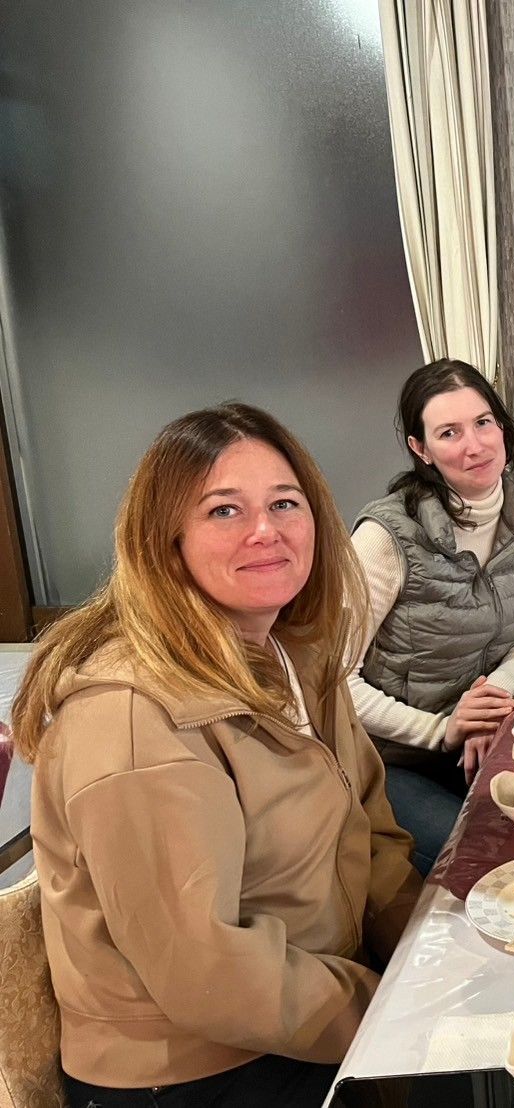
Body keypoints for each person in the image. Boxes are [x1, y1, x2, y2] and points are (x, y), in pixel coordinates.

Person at [11, 404, 422, 1108]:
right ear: (164, 541)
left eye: (284, 503)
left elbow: (370, 830)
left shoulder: (297, 653)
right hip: (197, 1070)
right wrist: (388, 1012)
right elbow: (208, 975)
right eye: (224, 510)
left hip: (314, 1008)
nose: (265, 530)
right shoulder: (132, 719)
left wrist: (430, 948)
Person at [351, 359, 514, 873]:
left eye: (483, 422)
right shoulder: (384, 537)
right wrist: (442, 730)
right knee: (486, 860)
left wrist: (485, 708)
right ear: (420, 449)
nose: (475, 445)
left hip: (492, 733)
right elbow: (332, 679)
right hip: (394, 758)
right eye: (449, 432)